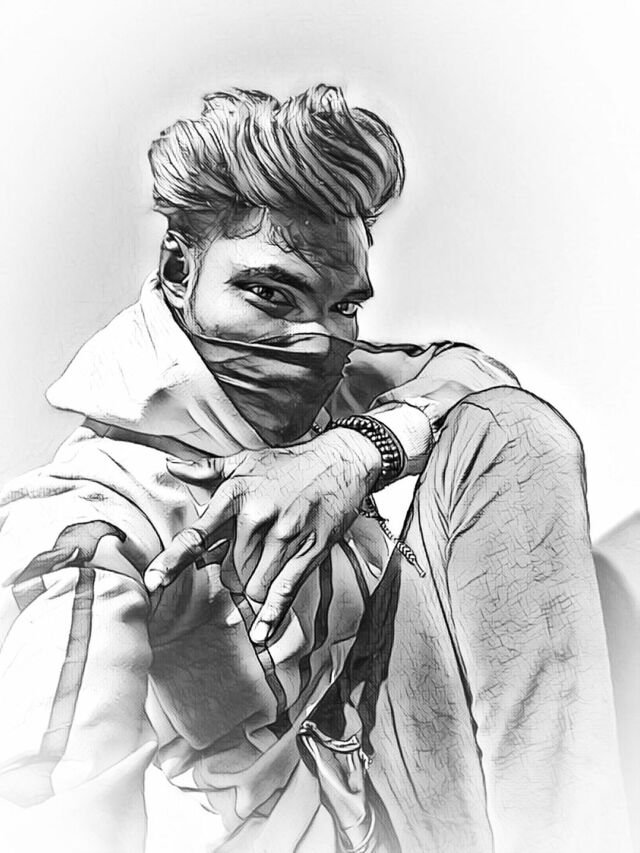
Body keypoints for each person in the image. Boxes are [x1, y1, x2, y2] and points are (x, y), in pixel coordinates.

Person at [0, 85, 630, 853]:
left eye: (342, 307)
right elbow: (55, 807)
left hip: (429, 783)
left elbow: (478, 380)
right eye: (271, 293)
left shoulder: (333, 392)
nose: (313, 342)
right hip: (302, 833)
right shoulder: (91, 514)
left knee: (544, 477)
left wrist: (355, 451)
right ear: (178, 267)